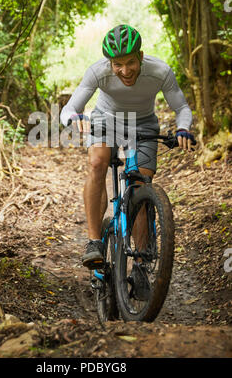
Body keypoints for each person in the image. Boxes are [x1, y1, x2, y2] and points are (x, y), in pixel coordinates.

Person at [60, 24, 194, 300]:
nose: (125, 70)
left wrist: (182, 129)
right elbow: (70, 108)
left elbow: (180, 107)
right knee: (97, 162)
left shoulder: (159, 71)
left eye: (130, 62)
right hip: (105, 121)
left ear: (141, 56)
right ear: (110, 63)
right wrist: (75, 120)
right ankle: (94, 242)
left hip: (143, 124)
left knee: (139, 185)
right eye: (117, 64)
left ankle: (142, 265)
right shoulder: (98, 72)